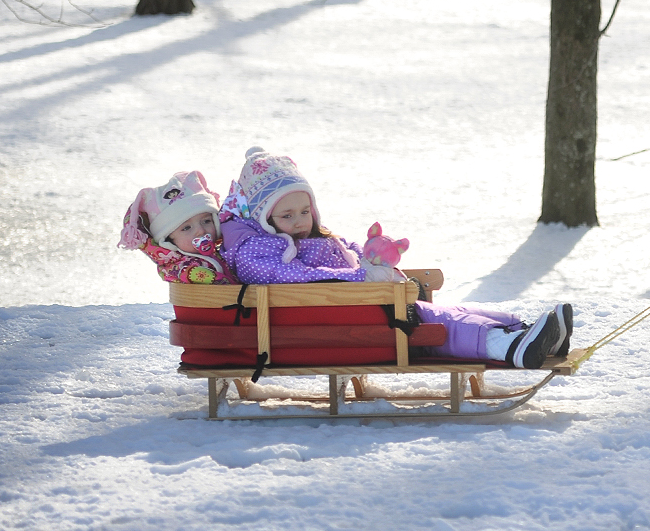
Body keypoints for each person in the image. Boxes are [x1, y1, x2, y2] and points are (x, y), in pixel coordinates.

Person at [218, 146, 574, 370]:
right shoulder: (256, 253)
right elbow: (303, 282)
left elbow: (351, 254)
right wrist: (365, 280)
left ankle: (525, 332)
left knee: (450, 313)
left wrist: (374, 262)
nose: (299, 222)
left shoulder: (314, 237)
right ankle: (510, 347)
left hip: (362, 308)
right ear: (262, 218)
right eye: (286, 216)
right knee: (438, 325)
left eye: (304, 211)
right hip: (345, 322)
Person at [119, 170, 237, 285]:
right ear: (168, 241)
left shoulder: (225, 249)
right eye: (186, 228)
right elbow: (188, 275)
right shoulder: (178, 266)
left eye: (206, 221)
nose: (200, 231)